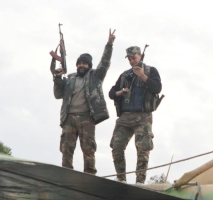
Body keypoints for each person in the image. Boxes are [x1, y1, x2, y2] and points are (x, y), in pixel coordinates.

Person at [51, 29, 116, 174]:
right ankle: (66, 174)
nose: (81, 65)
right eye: (79, 63)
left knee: (89, 149)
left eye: (84, 64)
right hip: (69, 117)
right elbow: (58, 94)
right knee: (66, 148)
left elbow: (104, 63)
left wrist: (109, 45)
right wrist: (57, 78)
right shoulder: (70, 79)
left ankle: (90, 174)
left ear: (89, 66)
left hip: (87, 117)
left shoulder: (95, 77)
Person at [108, 45, 162, 183]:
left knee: (143, 149)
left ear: (140, 56)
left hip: (143, 116)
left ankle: (140, 182)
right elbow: (111, 92)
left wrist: (143, 76)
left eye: (134, 58)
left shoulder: (150, 71)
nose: (132, 61)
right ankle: (121, 179)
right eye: (130, 59)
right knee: (116, 146)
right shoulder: (125, 75)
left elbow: (157, 88)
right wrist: (120, 92)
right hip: (125, 116)